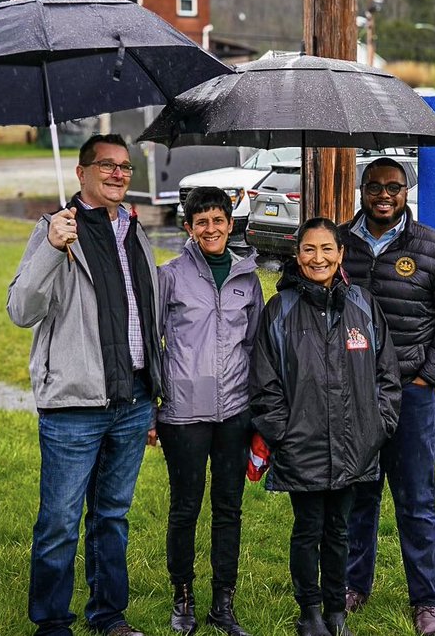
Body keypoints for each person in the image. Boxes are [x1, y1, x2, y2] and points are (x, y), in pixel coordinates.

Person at [7, 134, 161, 636]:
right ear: (81, 173)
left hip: (132, 399)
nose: (118, 174)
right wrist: (52, 247)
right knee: (59, 521)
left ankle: (109, 615)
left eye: (125, 167)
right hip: (76, 403)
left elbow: (147, 314)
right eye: (107, 166)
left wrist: (155, 392)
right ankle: (52, 623)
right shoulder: (56, 230)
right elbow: (21, 310)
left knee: (112, 517)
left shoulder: (134, 231)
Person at [342, 157, 435, 636]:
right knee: (358, 494)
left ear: (405, 192)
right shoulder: (339, 245)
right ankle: (354, 585)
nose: (383, 195)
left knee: (416, 500)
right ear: (361, 189)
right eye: (374, 186)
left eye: (393, 187)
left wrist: (425, 379)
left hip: (410, 396)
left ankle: (426, 599)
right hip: (354, 396)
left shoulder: (432, 248)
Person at [250, 217, 401, 636]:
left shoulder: (363, 305)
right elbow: (264, 384)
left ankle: (336, 610)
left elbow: (387, 374)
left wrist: (378, 426)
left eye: (327, 249)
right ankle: (310, 612)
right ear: (297, 256)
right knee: (308, 530)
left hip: (355, 445)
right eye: (309, 250)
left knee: (340, 530)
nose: (318, 258)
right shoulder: (279, 310)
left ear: (340, 254)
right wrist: (284, 433)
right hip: (303, 445)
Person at [156, 187, 264, 636]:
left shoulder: (248, 278)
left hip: (235, 412)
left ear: (230, 224)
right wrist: (153, 403)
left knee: (229, 508)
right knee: (185, 508)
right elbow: (149, 342)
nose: (211, 229)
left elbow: (257, 345)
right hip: (184, 414)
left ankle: (224, 601)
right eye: (201, 222)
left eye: (218, 220)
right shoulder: (171, 276)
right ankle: (183, 596)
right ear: (188, 228)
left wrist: (259, 412)